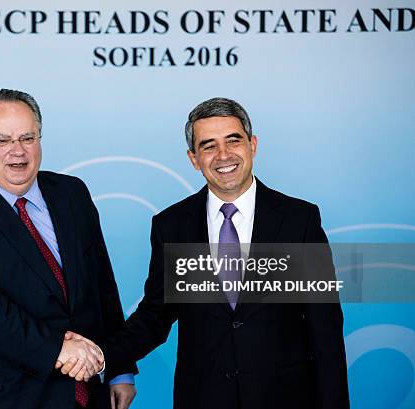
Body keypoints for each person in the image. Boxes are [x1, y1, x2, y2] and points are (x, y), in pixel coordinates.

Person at [97, 97, 350, 408]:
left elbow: (324, 329)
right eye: (208, 145)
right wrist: (101, 357)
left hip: (285, 397)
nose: (223, 155)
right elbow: (155, 317)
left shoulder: (299, 220)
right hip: (204, 398)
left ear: (252, 144)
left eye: (233, 140)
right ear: (193, 158)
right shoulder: (172, 226)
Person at [0, 89, 136, 409]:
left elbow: (101, 283)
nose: (17, 151)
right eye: (2, 140)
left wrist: (120, 368)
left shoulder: (72, 194)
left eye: (27, 138)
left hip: (85, 393)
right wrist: (57, 349)